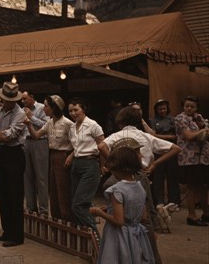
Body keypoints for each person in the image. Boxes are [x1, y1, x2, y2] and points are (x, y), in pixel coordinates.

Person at [99, 106, 181, 232]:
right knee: (145, 211)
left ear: (120, 121)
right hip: (140, 175)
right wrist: (154, 164)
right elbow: (176, 148)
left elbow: (101, 146)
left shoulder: (116, 135)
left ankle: (122, 233)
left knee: (117, 207)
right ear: (138, 121)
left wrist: (114, 163)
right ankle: (147, 242)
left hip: (119, 175)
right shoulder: (146, 136)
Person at [90, 145, 156, 264]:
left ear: (119, 169)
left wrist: (99, 212)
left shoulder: (117, 190)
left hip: (122, 239)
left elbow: (119, 221)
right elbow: (143, 216)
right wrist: (110, 208)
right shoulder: (139, 187)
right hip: (137, 237)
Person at [0, 82, 27, 247]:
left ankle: (17, 236)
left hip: (14, 154)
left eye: (10, 100)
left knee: (14, 195)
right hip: (1, 153)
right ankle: (7, 231)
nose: (8, 102)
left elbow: (9, 136)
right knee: (3, 194)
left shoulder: (20, 114)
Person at [25, 95, 74, 221]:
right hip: (52, 155)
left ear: (54, 108)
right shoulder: (49, 123)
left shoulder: (68, 124)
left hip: (63, 156)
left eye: (47, 106)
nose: (44, 109)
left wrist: (71, 155)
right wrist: (29, 124)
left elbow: (77, 143)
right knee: (53, 190)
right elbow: (36, 135)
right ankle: (56, 219)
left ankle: (66, 220)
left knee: (63, 190)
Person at [65, 97, 104, 234]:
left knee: (79, 204)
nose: (73, 113)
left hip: (90, 164)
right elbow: (77, 146)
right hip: (76, 165)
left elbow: (103, 146)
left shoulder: (93, 125)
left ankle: (95, 236)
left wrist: (104, 166)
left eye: (76, 110)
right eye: (70, 111)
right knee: (78, 203)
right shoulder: (72, 127)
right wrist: (71, 155)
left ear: (83, 109)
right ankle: (84, 237)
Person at [174, 95, 209, 226]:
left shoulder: (199, 118)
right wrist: (204, 131)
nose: (189, 108)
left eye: (192, 106)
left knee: (203, 185)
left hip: (203, 157)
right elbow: (188, 136)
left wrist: (203, 131)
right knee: (192, 186)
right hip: (189, 157)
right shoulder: (180, 118)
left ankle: (206, 214)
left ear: (197, 108)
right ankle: (192, 216)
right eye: (187, 106)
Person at [22, 90, 50, 215]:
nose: (23, 102)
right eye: (22, 100)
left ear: (32, 97)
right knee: (27, 177)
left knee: (41, 178)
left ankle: (43, 210)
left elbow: (47, 124)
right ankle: (31, 208)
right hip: (26, 142)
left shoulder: (41, 108)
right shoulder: (22, 110)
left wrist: (32, 117)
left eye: (25, 99)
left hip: (40, 142)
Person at [148, 99, 180, 209]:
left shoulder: (172, 120)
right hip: (158, 150)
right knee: (158, 176)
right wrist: (169, 137)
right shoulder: (152, 121)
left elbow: (177, 135)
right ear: (156, 109)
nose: (162, 110)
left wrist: (171, 137)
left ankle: (174, 201)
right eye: (160, 108)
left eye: (164, 108)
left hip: (172, 149)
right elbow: (153, 135)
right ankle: (159, 201)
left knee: (173, 175)